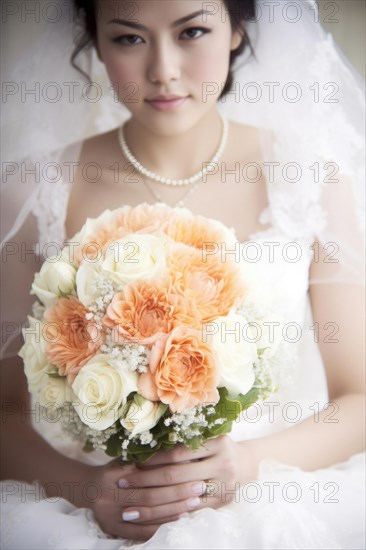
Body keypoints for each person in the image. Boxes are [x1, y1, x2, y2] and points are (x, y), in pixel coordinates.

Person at [1, 0, 365, 548]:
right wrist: (90, 489)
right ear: (95, 43)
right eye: (129, 39)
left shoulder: (309, 178)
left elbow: (358, 397)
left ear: (237, 29)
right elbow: (4, 410)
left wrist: (245, 464)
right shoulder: (35, 188)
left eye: (192, 31)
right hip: (88, 510)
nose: (163, 70)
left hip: (270, 491)